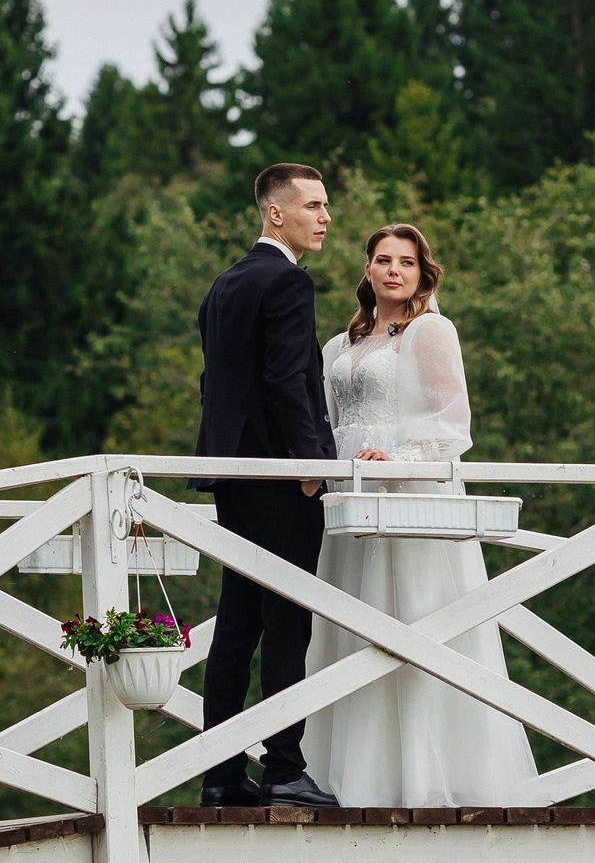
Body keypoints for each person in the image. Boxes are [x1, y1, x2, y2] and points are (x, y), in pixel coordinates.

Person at [301, 224, 536, 807]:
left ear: (421, 271)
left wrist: (395, 459)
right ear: (367, 269)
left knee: (417, 619)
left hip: (409, 499)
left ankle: (425, 778)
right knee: (351, 625)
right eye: (382, 260)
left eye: (405, 262)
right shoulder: (339, 345)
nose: (393, 271)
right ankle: (346, 779)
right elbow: (326, 426)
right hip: (348, 506)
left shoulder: (430, 332)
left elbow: (453, 424)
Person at [192, 163, 342, 809]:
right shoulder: (287, 280)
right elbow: (285, 379)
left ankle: (222, 775)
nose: (325, 216)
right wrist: (311, 461)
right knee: (286, 619)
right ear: (275, 213)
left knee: (238, 622)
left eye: (326, 204)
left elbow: (219, 382)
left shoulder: (225, 283)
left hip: (233, 469)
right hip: (278, 475)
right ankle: (284, 766)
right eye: (313, 204)